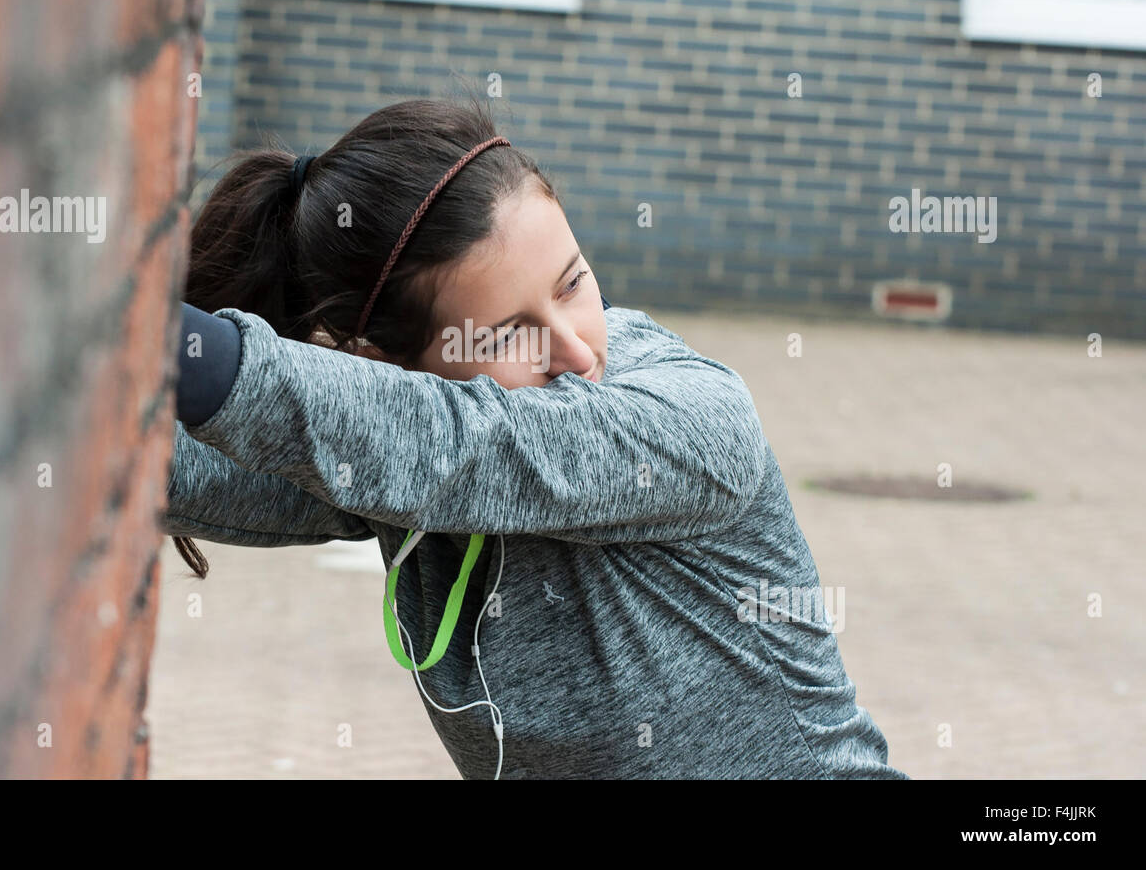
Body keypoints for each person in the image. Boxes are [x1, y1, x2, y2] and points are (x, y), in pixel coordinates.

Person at [160, 90, 909, 780]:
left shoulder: (690, 419)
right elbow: (195, 469)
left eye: (573, 282)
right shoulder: (394, 455)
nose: (579, 352)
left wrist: (165, 341)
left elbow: (481, 447)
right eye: (509, 335)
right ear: (382, 370)